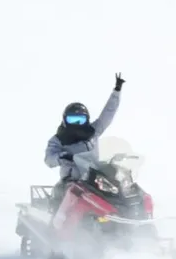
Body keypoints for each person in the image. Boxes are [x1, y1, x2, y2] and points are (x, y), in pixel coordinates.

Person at [46, 73, 124, 203]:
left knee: (119, 190)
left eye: (80, 120)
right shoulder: (58, 139)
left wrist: (116, 91)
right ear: (65, 120)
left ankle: (129, 216)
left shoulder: (93, 131)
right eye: (72, 119)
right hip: (71, 180)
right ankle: (61, 222)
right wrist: (61, 157)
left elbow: (108, 113)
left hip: (94, 178)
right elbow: (49, 159)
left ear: (86, 119)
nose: (76, 124)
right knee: (72, 196)